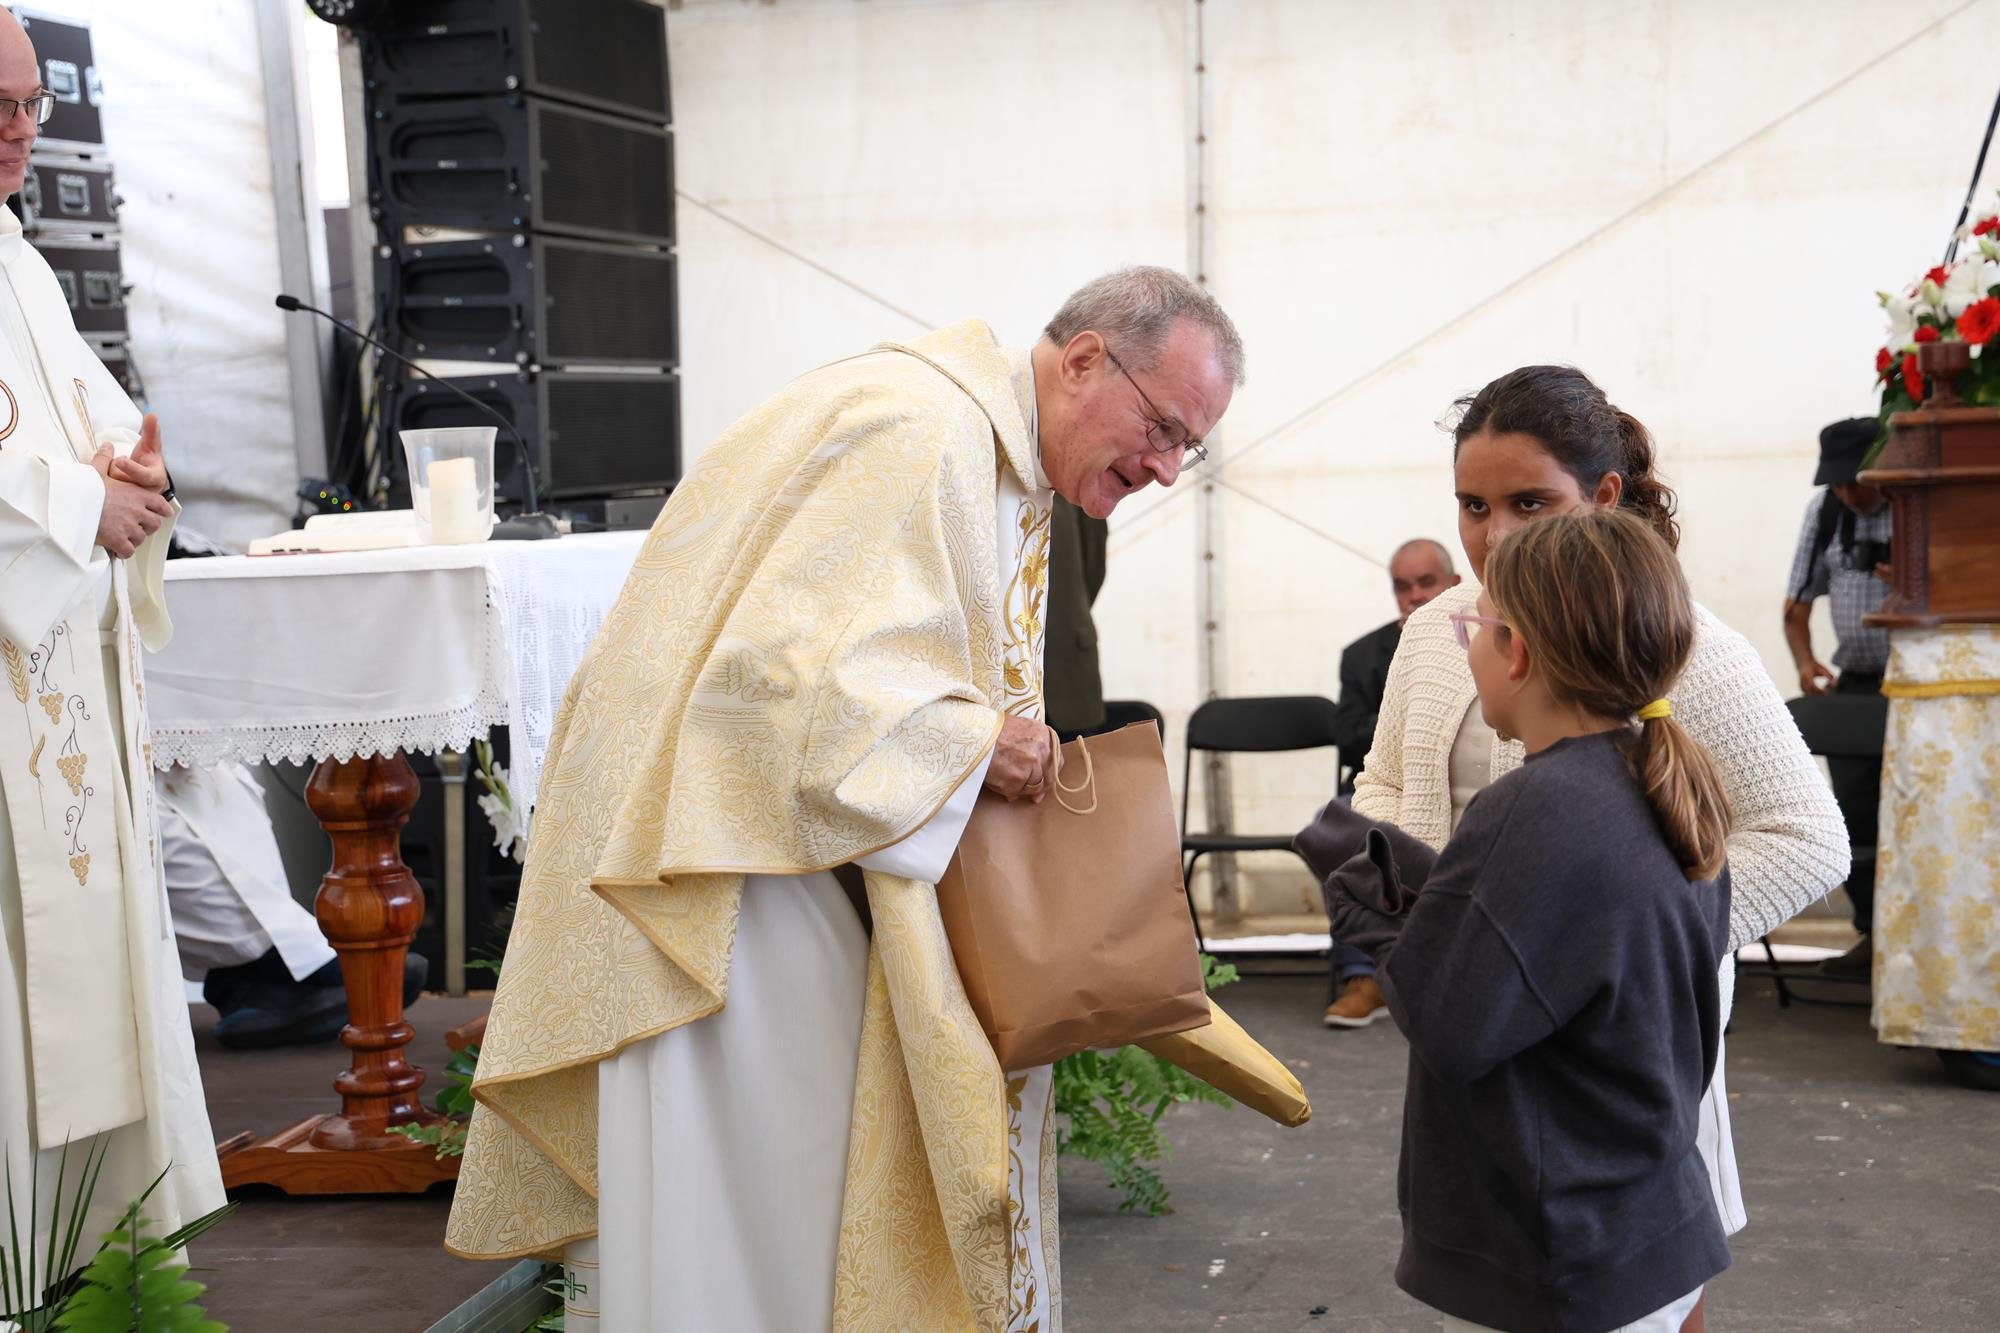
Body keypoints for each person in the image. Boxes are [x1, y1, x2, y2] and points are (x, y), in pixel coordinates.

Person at [445, 268, 1243, 1331]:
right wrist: (972, 745)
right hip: (731, 891)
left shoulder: (975, 437)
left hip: (768, 852)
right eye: (1162, 427)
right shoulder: (918, 432)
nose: (1165, 467)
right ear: (1086, 359)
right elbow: (776, 678)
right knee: (766, 1221)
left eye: (1189, 447)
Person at [1350, 365, 1848, 1332]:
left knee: (1646, 1267)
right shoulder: (1434, 633)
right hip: (1483, 1019)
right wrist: (1453, 936)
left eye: (1528, 502)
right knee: (1521, 1273)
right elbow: (1383, 786)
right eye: (1473, 505)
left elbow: (1807, 837)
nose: (1494, 534)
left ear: (1605, 494)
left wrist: (1621, 944)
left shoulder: (1680, 640)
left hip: (1624, 1043)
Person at [1329, 509, 1734, 1332]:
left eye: (1473, 627)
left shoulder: (1531, 807)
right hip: (1648, 1212)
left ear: (1515, 652)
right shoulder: (1666, 784)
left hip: (1565, 1251)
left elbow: (1451, 1021)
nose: (1468, 647)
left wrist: (1369, 905)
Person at [0, 6, 223, 1277]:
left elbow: (95, 436)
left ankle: (85, 1256)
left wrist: (128, 477)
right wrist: (81, 507)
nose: (21, 129)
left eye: (31, 102)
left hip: (56, 684)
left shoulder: (20, 262)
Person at [1321, 538, 1460, 1028]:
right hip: (1386, 784)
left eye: (1426, 583)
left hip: (1459, 784)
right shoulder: (1363, 655)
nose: (1414, 596)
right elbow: (1348, 741)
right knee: (1334, 824)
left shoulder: (1486, 638)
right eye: (1403, 587)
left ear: (1454, 584)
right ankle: (1366, 975)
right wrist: (1410, 693)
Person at [1780, 417, 1891, 980]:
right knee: (1855, 815)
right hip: (1858, 684)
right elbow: (1796, 605)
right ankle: (1872, 936)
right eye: (1838, 482)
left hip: (1919, 685)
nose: (1848, 492)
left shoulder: (1920, 505)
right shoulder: (1826, 513)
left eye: (1857, 480)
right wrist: (1805, 662)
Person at [1043, 495, 1110, 739]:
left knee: (1078, 759)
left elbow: (1094, 566)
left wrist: (1069, 610)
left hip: (1070, 663)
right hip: (999, 685)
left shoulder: (1072, 485)